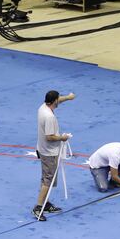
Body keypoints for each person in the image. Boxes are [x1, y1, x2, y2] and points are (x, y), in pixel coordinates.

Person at [33, 90, 75, 221]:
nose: (60, 100)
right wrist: (62, 138)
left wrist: (68, 98)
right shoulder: (49, 117)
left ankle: (45, 203)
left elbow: (58, 100)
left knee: (46, 178)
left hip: (42, 149)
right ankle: (38, 207)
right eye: (59, 99)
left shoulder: (42, 107)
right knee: (48, 180)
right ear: (54, 101)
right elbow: (50, 137)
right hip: (49, 152)